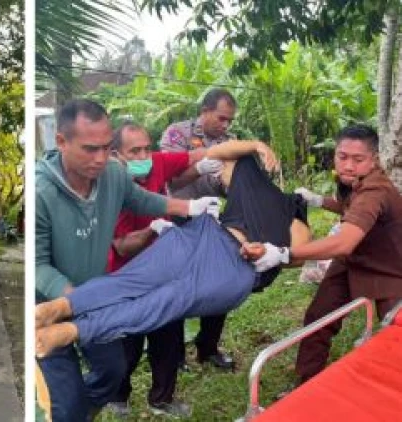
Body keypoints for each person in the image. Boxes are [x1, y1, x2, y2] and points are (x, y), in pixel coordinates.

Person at [35, 143, 312, 368]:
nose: (220, 178)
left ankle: (71, 326)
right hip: (206, 236)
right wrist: (255, 145)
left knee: (165, 296)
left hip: (236, 265)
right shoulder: (254, 180)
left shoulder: (289, 208)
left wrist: (274, 254)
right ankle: (64, 309)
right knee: (139, 282)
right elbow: (218, 156)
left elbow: (298, 254)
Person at [36, 99, 222, 422]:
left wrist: (189, 208)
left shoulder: (112, 174)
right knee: (62, 404)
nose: (100, 159)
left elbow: (140, 199)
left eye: (106, 148)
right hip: (50, 307)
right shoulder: (42, 193)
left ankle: (80, 411)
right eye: (90, 149)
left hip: (98, 297)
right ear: (61, 142)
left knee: (113, 370)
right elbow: (38, 266)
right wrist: (72, 300)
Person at [249, 124, 402, 387]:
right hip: (353, 260)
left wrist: (285, 253)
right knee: (319, 317)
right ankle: (306, 383)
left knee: (394, 332)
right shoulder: (357, 183)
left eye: (358, 159)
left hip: (387, 268)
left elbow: (343, 242)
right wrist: (320, 201)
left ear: (374, 160)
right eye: (342, 157)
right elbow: (350, 209)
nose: (349, 165)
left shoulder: (376, 191)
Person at [105, 122, 225, 417]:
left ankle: (162, 398)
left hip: (163, 267)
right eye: (135, 151)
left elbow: (195, 157)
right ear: (116, 154)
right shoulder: (109, 187)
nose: (144, 155)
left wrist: (208, 163)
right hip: (126, 273)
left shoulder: (157, 162)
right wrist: (154, 230)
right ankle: (118, 395)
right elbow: (120, 246)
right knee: (128, 341)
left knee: (168, 335)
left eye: (147, 147)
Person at [160, 88, 238, 371]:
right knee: (180, 285)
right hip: (180, 216)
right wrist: (200, 167)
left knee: (220, 282)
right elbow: (171, 180)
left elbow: (231, 186)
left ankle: (208, 347)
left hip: (213, 219)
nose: (225, 125)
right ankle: (175, 355)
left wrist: (231, 181)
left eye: (229, 120)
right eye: (221, 118)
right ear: (204, 111)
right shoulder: (177, 135)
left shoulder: (230, 142)